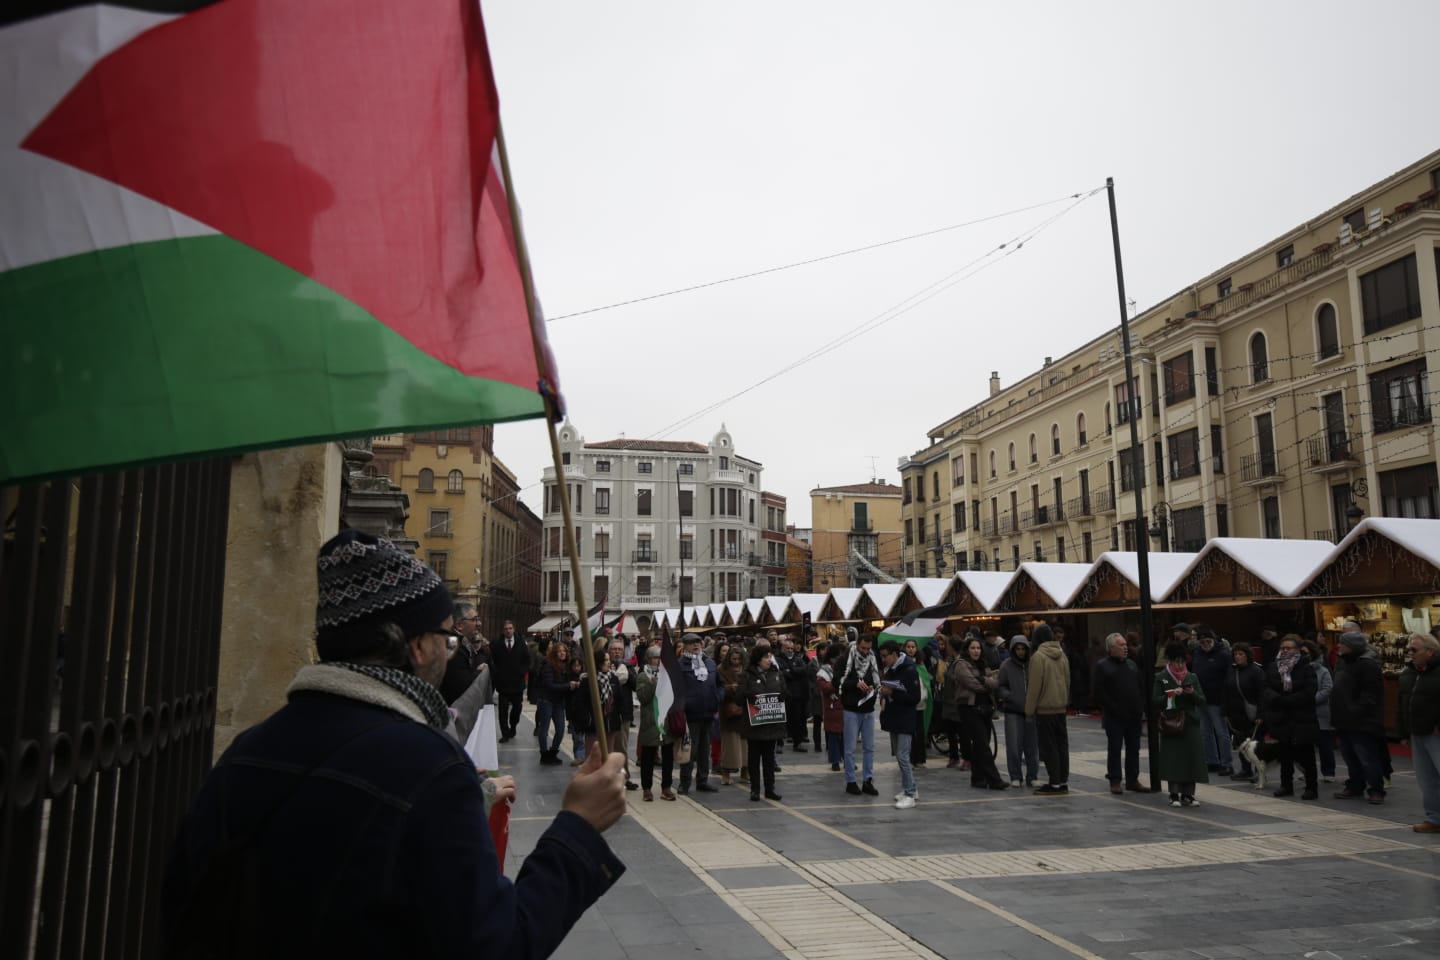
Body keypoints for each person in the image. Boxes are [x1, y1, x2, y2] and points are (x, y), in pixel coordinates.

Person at [163, 530, 627, 958]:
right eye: (446, 636)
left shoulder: (244, 752)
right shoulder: (431, 767)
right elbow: (497, 944)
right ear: (418, 646)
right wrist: (577, 827)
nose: (450, 652)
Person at [1331, 632, 1387, 804]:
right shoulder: (1344, 663)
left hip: (1362, 721)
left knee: (1367, 757)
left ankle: (1376, 789)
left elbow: (1371, 695)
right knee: (1350, 756)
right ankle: (1355, 785)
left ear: (1352, 646)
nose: (1339, 646)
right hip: (1344, 718)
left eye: (1342, 644)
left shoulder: (1367, 665)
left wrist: (1356, 710)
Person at [1261, 634, 1319, 800]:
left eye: (1289, 648)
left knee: (1306, 755)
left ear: (1298, 649)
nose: (1285, 651)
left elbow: (1310, 690)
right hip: (1281, 717)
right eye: (1283, 648)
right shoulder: (1273, 667)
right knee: (1284, 755)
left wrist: (1290, 700)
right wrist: (1277, 699)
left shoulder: (1306, 667)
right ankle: (1286, 785)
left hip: (1302, 717)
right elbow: (1265, 687)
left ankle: (1311, 787)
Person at [1153, 640, 1209, 807]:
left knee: (1191, 758)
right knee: (1173, 759)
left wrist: (1191, 694)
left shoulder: (1192, 677)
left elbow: (1202, 701)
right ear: (1169, 661)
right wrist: (1171, 695)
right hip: (1171, 722)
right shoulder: (1161, 677)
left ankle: (1188, 794)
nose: (1179, 665)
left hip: (1190, 722)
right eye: (1176, 661)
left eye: (1182, 661)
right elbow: (1155, 700)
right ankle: (1173, 793)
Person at [1091, 632, 1148, 794]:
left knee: (1133, 749)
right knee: (1115, 749)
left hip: (1134, 716)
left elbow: (1140, 687)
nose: (1125, 648)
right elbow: (1099, 693)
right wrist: (1114, 708)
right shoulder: (1103, 666)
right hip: (1115, 717)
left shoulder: (1131, 664)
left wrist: (1140, 707)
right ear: (1111, 648)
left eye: (1125, 645)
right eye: (1121, 645)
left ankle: (1132, 779)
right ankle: (1115, 780)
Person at [950, 636, 1008, 790]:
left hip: (985, 707)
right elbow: (973, 684)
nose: (976, 651)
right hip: (969, 708)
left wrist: (985, 681)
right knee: (982, 744)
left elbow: (995, 682)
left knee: (979, 745)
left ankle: (977, 778)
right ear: (967, 650)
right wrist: (987, 683)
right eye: (972, 648)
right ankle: (994, 779)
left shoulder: (983, 664)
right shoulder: (961, 664)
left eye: (978, 648)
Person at [1025, 623, 1071, 796]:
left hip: (1044, 709)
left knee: (1048, 747)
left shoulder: (1038, 657)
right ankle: (1063, 781)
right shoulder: (1062, 655)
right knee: (1061, 746)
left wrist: (1029, 710)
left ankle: (1054, 783)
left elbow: (1034, 687)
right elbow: (1067, 681)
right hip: (1060, 707)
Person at [1403, 633, 1440, 833]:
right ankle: (1435, 818)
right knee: (1426, 778)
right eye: (1409, 649)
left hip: (1435, 732)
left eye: (1414, 650)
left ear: (1430, 651)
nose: (1410, 653)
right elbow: (1404, 702)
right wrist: (1403, 731)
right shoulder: (1411, 672)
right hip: (1417, 731)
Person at [878, 639, 922, 808]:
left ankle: (910, 793)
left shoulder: (909, 669)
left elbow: (914, 697)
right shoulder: (891, 669)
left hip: (905, 718)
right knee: (899, 754)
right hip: (894, 716)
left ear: (894, 654)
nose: (883, 659)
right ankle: (910, 788)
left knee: (903, 755)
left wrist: (893, 693)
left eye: (885, 656)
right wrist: (884, 694)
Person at [739, 643, 786, 801]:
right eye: (766, 657)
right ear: (758, 659)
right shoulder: (747, 675)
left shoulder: (776, 673)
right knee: (754, 759)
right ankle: (754, 789)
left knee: (769, 759)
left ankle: (770, 789)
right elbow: (738, 697)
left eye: (770, 657)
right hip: (755, 724)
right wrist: (750, 696)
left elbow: (785, 691)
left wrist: (782, 696)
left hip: (771, 724)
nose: (769, 660)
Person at [838, 633, 882, 796]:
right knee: (849, 749)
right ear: (857, 645)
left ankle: (867, 780)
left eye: (868, 649)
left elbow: (877, 679)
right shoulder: (846, 659)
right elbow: (838, 681)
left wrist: (872, 687)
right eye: (863, 648)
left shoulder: (873, 658)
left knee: (869, 748)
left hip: (868, 708)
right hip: (851, 708)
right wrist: (855, 684)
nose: (865, 651)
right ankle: (850, 781)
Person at [678, 634, 722, 794]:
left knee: (705, 750)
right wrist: (685, 704)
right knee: (690, 749)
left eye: (697, 642)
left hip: (708, 712)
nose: (695, 645)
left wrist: (718, 698)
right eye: (691, 643)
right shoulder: (680, 664)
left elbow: (719, 684)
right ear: (684, 646)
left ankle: (703, 780)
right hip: (690, 714)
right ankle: (685, 782)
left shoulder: (709, 662)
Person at [996, 635, 1039, 787]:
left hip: (1031, 710)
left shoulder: (1033, 664)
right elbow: (1000, 686)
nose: (1020, 652)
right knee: (1014, 745)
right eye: (1018, 649)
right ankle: (1015, 775)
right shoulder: (1006, 665)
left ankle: (1032, 775)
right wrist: (1009, 696)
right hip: (1013, 710)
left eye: (1023, 649)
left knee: (1032, 746)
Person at [1191, 626, 1233, 776]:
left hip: (1218, 699)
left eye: (1208, 641)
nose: (1205, 644)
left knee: (1222, 733)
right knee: (1205, 732)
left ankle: (1227, 763)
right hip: (1201, 699)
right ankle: (1212, 761)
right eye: (1202, 642)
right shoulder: (1197, 654)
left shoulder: (1223, 654)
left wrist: (1226, 698)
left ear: (1213, 640)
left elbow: (1229, 677)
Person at [636, 645, 676, 801]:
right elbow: (643, 698)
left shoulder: (668, 676)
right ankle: (647, 788)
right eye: (655, 658)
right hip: (651, 720)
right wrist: (654, 683)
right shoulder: (643, 676)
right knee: (648, 757)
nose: (658, 661)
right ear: (649, 659)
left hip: (666, 721)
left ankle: (666, 787)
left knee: (668, 756)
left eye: (660, 658)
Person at [1222, 644, 1265, 782]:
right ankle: (1245, 769)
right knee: (1241, 743)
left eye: (1241, 654)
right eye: (1235, 654)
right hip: (1235, 713)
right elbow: (1225, 691)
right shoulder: (1232, 670)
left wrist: (1261, 714)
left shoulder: (1256, 671)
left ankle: (1259, 772)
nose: (1237, 657)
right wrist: (1225, 710)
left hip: (1251, 713)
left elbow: (1262, 694)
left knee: (1256, 744)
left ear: (1247, 655)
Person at [1301, 638, 1337, 782]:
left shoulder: (1323, 671)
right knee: (1304, 745)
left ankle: (1329, 772)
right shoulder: (1297, 670)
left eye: (1305, 652)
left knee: (1324, 744)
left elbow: (1327, 689)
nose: (1303, 655)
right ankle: (1306, 770)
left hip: (1321, 713)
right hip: (1303, 713)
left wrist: (1310, 700)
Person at [534, 640, 574, 765]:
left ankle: (553, 752)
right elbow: (549, 685)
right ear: (554, 653)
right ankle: (544, 754)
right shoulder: (548, 664)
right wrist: (568, 686)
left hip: (558, 702)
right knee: (544, 729)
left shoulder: (567, 665)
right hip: (546, 700)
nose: (562, 654)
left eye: (564, 651)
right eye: (559, 651)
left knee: (561, 729)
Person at [607, 637, 639, 791]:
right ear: (609, 651)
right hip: (606, 713)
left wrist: (628, 674)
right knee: (606, 747)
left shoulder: (628, 666)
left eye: (620, 649)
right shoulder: (603, 665)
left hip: (623, 714)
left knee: (621, 747)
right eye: (614, 649)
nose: (617, 652)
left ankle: (624, 777)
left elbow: (636, 685)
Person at [439, 600, 486, 704]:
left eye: (478, 619)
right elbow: (459, 686)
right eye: (474, 619)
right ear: (459, 625)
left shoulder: (461, 643)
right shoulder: (452, 645)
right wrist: (480, 672)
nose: (479, 623)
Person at [490, 619, 529, 742]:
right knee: (502, 711)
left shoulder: (521, 643)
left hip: (517, 684)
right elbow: (493, 660)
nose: (508, 631)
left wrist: (521, 672)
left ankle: (513, 726)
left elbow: (526, 660)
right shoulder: (497, 643)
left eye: (510, 628)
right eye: (506, 629)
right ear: (503, 630)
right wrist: (497, 673)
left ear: (514, 629)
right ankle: (505, 734)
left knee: (517, 709)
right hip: (503, 684)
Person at [718, 646, 749, 786]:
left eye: (739, 659)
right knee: (729, 746)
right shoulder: (721, 670)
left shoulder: (748, 670)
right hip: (728, 710)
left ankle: (745, 771)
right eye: (733, 659)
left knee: (746, 745)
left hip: (745, 711)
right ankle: (725, 773)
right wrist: (730, 688)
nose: (736, 662)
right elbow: (717, 688)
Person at [779, 635, 814, 751]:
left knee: (798, 718)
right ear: (782, 649)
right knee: (784, 719)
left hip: (798, 694)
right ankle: (780, 743)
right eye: (787, 648)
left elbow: (804, 670)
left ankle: (798, 742)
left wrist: (791, 671)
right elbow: (782, 673)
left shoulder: (798, 659)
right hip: (784, 694)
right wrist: (793, 673)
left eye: (791, 648)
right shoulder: (778, 659)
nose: (789, 650)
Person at [815, 644, 846, 771]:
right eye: (838, 656)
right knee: (833, 736)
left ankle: (848, 760)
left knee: (846, 736)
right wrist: (837, 680)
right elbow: (825, 688)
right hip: (832, 707)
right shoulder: (823, 672)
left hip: (845, 706)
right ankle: (835, 761)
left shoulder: (847, 668)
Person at [903, 638, 931, 768]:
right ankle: (908, 758)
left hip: (921, 704)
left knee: (920, 732)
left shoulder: (921, 664)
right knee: (909, 733)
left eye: (913, 647)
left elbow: (925, 682)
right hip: (908, 704)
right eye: (908, 647)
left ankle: (919, 759)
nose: (911, 649)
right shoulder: (902, 664)